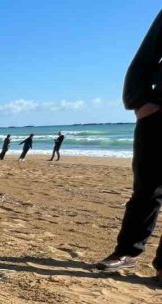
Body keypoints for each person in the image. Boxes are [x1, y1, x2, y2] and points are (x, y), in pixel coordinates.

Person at [95, 9, 162, 282]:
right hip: (158, 113)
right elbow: (145, 57)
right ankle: (127, 251)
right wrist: (139, 102)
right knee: (147, 188)